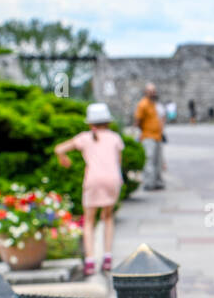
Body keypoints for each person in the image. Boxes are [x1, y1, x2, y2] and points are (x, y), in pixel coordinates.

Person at [54, 102, 122, 276]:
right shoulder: (115, 138)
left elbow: (59, 148)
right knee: (107, 217)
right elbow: (118, 162)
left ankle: (90, 261)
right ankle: (107, 257)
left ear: (90, 123)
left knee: (89, 221)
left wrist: (64, 160)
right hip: (113, 180)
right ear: (108, 122)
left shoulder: (85, 137)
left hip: (93, 180)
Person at [134, 84, 165, 191]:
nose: (153, 93)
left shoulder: (154, 104)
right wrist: (141, 131)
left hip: (158, 136)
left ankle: (157, 182)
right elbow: (138, 121)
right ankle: (149, 183)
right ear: (146, 92)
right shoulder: (142, 104)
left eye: (154, 91)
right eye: (150, 91)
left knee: (158, 161)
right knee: (149, 160)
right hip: (148, 136)